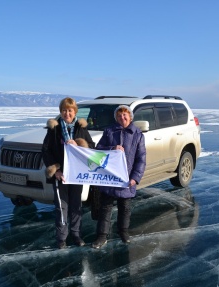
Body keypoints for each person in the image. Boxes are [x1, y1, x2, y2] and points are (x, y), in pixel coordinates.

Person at [42, 97, 95, 249]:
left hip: (76, 174)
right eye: (64, 110)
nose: (67, 113)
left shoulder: (81, 128)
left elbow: (91, 147)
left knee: (76, 206)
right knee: (61, 207)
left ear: (75, 111)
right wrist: (56, 170)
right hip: (61, 175)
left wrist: (78, 144)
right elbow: (46, 151)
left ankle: (76, 234)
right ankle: (61, 238)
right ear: (61, 112)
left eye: (70, 110)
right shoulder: (55, 130)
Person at [92, 105, 146, 249]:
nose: (122, 117)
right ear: (116, 117)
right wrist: (112, 148)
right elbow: (98, 151)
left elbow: (141, 159)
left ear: (130, 117)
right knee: (105, 208)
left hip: (126, 179)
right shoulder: (109, 131)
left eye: (125, 114)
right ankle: (102, 236)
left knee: (125, 208)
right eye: (119, 115)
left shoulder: (138, 135)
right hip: (110, 178)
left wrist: (135, 178)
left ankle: (123, 232)